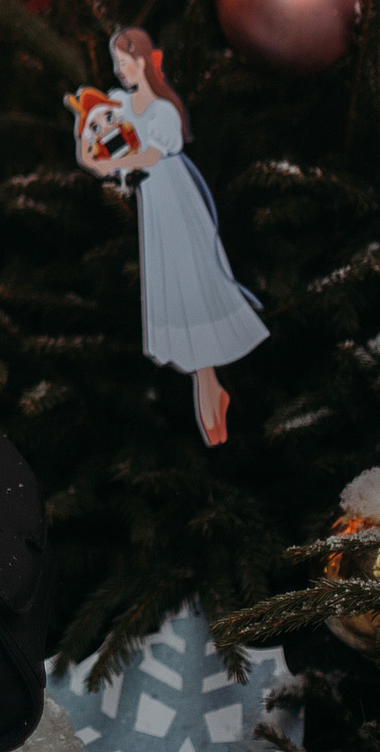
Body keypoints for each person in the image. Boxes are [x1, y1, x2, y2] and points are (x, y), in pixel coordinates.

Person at [68, 27, 267, 445]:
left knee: (192, 272)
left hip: (172, 194)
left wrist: (112, 167)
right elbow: (97, 137)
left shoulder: (163, 111)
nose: (120, 72)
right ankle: (210, 391)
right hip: (150, 200)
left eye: (125, 63)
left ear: (142, 60)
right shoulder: (119, 103)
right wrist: (93, 156)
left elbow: (153, 155)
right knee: (172, 280)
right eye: (117, 66)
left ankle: (211, 395)